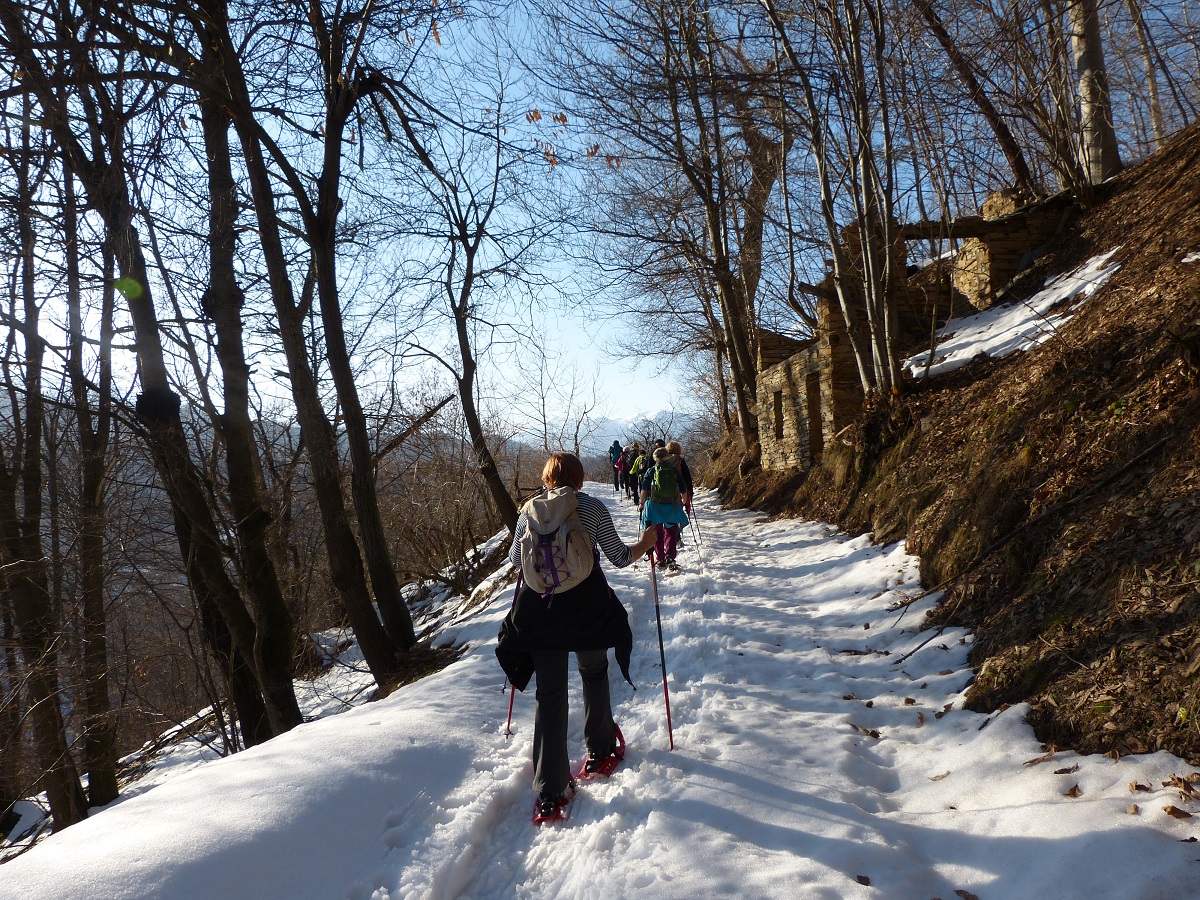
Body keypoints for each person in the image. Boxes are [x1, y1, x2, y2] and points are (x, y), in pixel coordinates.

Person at [496, 452, 658, 820]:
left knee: (549, 696)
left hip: (541, 615)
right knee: (594, 672)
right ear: (579, 478)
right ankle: (600, 751)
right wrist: (646, 543)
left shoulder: (529, 511)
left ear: (548, 478)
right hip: (587, 610)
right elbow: (618, 557)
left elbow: (512, 560)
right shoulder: (592, 508)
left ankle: (551, 792)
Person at [640, 446, 689, 571]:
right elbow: (682, 485)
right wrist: (683, 500)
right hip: (671, 506)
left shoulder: (652, 470)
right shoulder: (673, 469)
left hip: (655, 506)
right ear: (667, 456)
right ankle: (670, 556)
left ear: (655, 457)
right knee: (671, 532)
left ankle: (660, 559)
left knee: (657, 533)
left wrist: (641, 503)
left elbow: (644, 488)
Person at [666, 440, 694, 512]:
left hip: (666, 488)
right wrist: (690, 490)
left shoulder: (663, 461)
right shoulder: (680, 460)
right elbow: (687, 476)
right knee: (679, 508)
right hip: (680, 488)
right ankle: (679, 521)